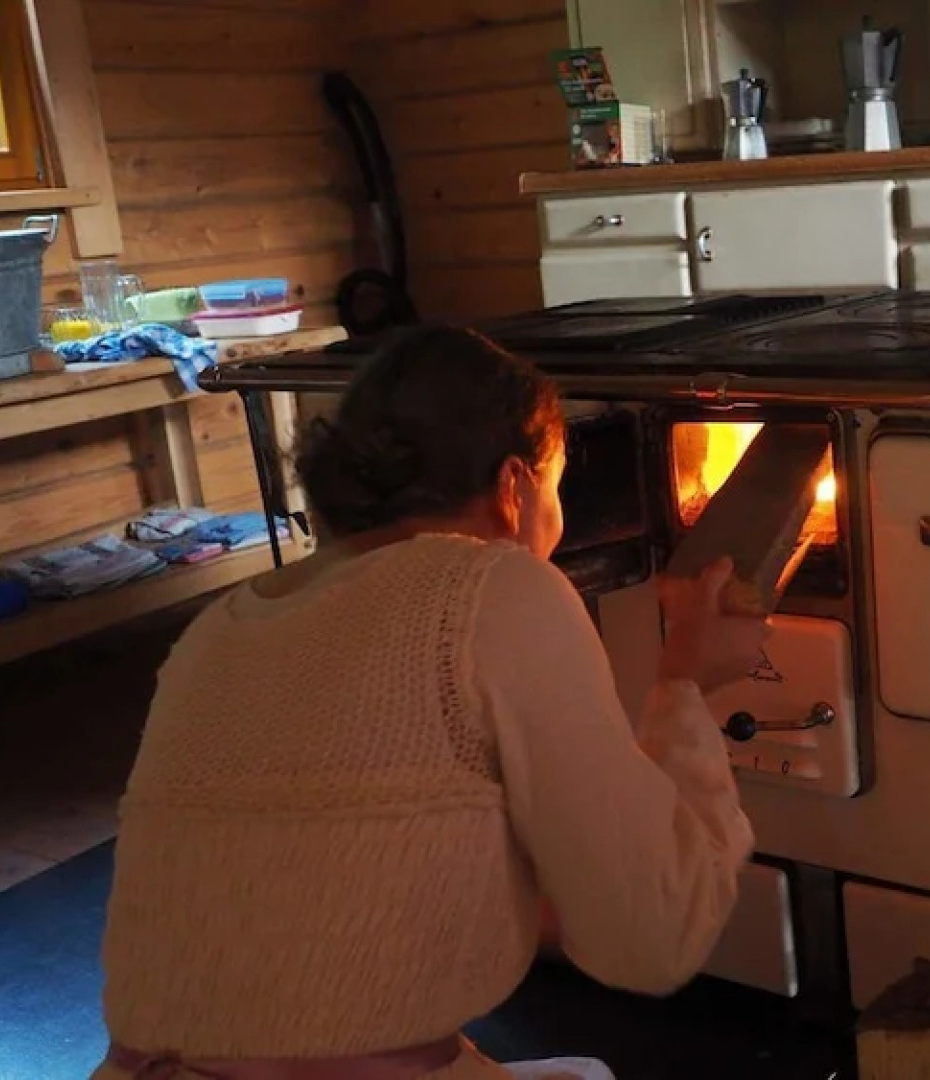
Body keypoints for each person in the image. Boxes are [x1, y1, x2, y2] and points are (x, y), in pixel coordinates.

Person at [94, 326, 769, 1080]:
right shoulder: (494, 588)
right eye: (557, 486)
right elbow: (653, 936)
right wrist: (685, 685)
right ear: (514, 488)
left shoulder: (214, 629)